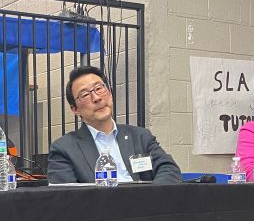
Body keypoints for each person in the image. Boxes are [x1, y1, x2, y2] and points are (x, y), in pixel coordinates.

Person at [47, 66, 182, 184]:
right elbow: (67, 197)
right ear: (75, 109)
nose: (96, 98)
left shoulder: (141, 137)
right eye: (85, 95)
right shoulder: (64, 149)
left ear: (110, 93)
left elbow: (168, 169)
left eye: (99, 88)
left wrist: (149, 199)